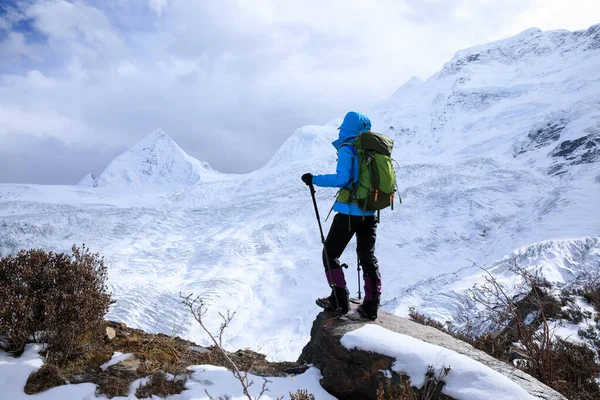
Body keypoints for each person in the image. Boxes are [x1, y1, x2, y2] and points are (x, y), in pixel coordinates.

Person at [301, 111, 381, 320]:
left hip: (349, 211)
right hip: (370, 210)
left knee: (330, 253)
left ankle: (339, 300)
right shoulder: (374, 149)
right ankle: (371, 306)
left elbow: (343, 178)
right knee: (367, 256)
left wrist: (314, 179)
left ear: (346, 128)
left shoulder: (348, 148)